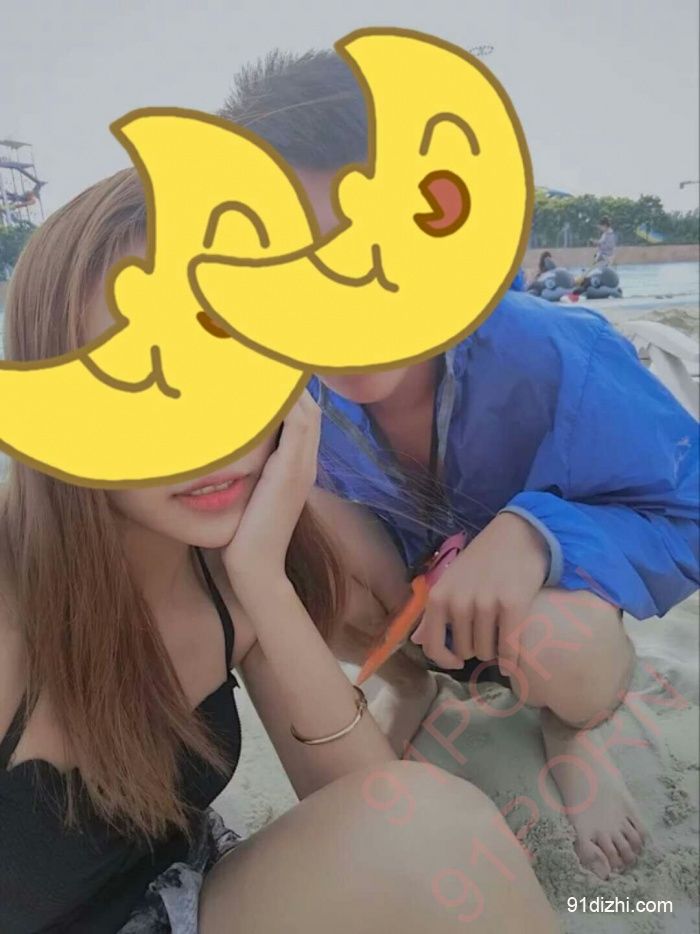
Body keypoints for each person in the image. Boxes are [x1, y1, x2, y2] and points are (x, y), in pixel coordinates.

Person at [0, 169, 558, 934]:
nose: (208, 435)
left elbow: (379, 815)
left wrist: (262, 578)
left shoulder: (222, 559)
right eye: (141, 379)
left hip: (185, 899)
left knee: (441, 830)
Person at [221, 49, 699, 881]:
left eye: (367, 248)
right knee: (277, 518)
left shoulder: (557, 353)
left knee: (556, 644)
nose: (338, 302)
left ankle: (569, 730)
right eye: (293, 264)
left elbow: (686, 508)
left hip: (548, 618)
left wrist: (536, 534)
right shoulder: (286, 388)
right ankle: (412, 687)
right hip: (415, 620)